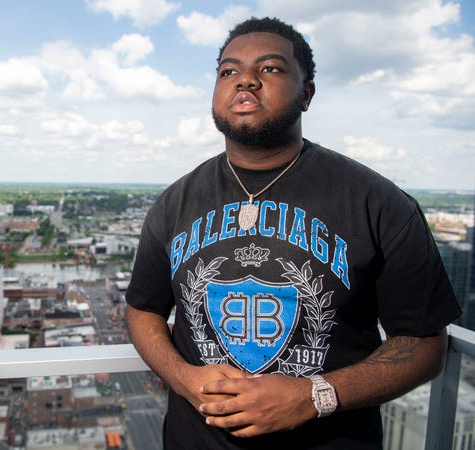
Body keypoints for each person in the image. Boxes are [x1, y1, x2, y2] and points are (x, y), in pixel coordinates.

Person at [125, 16, 461, 449]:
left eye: (270, 68)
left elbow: (424, 343)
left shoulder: (378, 203)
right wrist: (187, 380)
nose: (245, 80)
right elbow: (142, 309)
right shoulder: (174, 203)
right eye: (228, 71)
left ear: (307, 93)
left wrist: (314, 396)